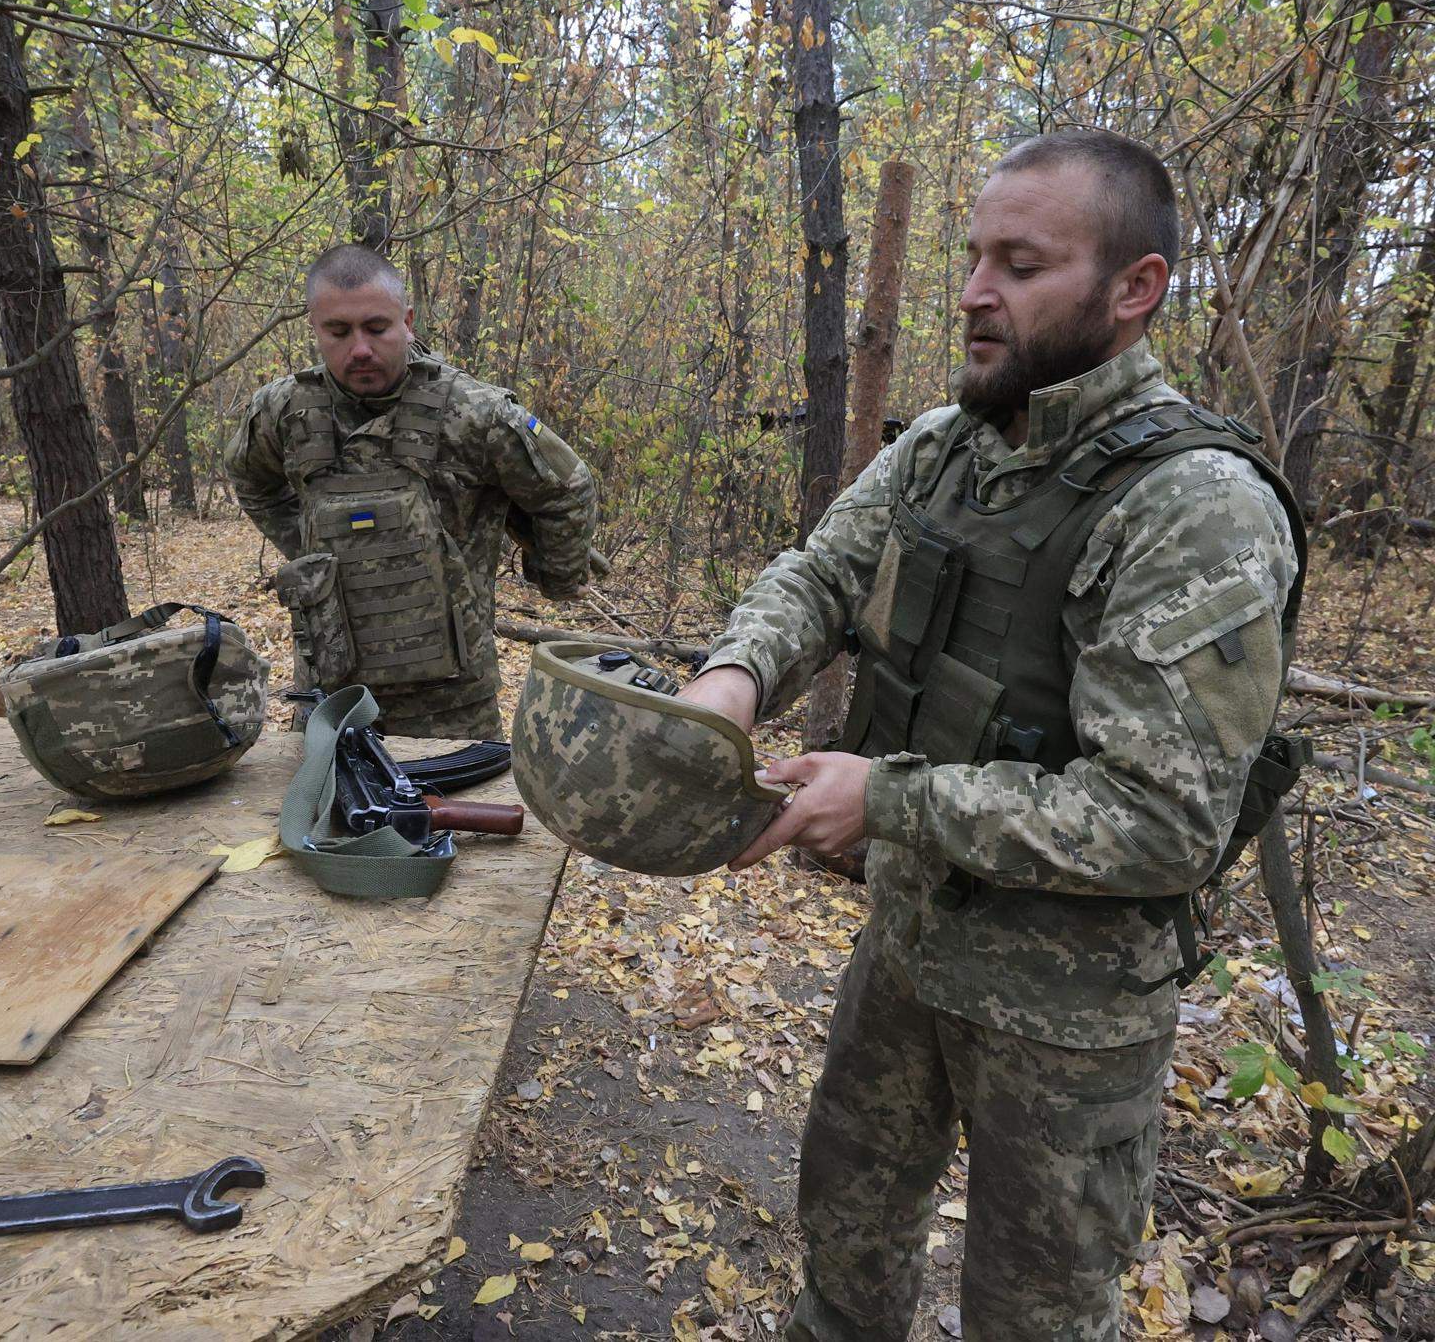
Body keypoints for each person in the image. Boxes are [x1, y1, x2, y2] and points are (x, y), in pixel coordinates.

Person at [678, 131, 1300, 1340]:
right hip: (911, 948)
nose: (972, 293)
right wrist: (730, 678)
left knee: (1037, 1316)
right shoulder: (950, 446)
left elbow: (1162, 820)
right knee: (844, 1247)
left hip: (1066, 1021)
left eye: (1019, 264)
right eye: (973, 258)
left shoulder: (1196, 509)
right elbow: (818, 577)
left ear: (1136, 289)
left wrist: (891, 800)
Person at [226, 245, 596, 738]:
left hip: (452, 705)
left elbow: (568, 488)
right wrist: (309, 550)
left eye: (376, 328)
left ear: (408, 321)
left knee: (462, 815)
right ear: (315, 328)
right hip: (331, 701)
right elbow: (250, 479)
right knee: (330, 814)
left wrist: (556, 576)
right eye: (338, 332)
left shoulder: (474, 413)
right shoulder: (283, 411)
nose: (359, 348)